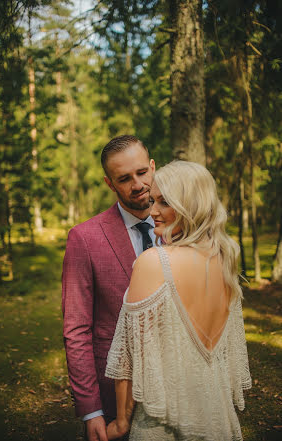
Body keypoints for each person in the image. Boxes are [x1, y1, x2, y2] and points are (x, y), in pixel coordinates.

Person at [105, 160, 252, 441]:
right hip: (218, 419)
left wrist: (121, 423)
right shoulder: (224, 263)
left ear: (191, 205)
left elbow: (128, 360)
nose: (153, 211)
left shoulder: (154, 263)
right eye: (153, 200)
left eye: (164, 202)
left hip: (163, 425)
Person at [62, 135, 156, 441]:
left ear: (153, 167)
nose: (138, 184)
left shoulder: (183, 228)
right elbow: (76, 329)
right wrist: (91, 410)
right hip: (114, 392)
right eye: (124, 178)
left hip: (177, 388)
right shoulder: (84, 238)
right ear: (109, 183)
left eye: (142, 172)